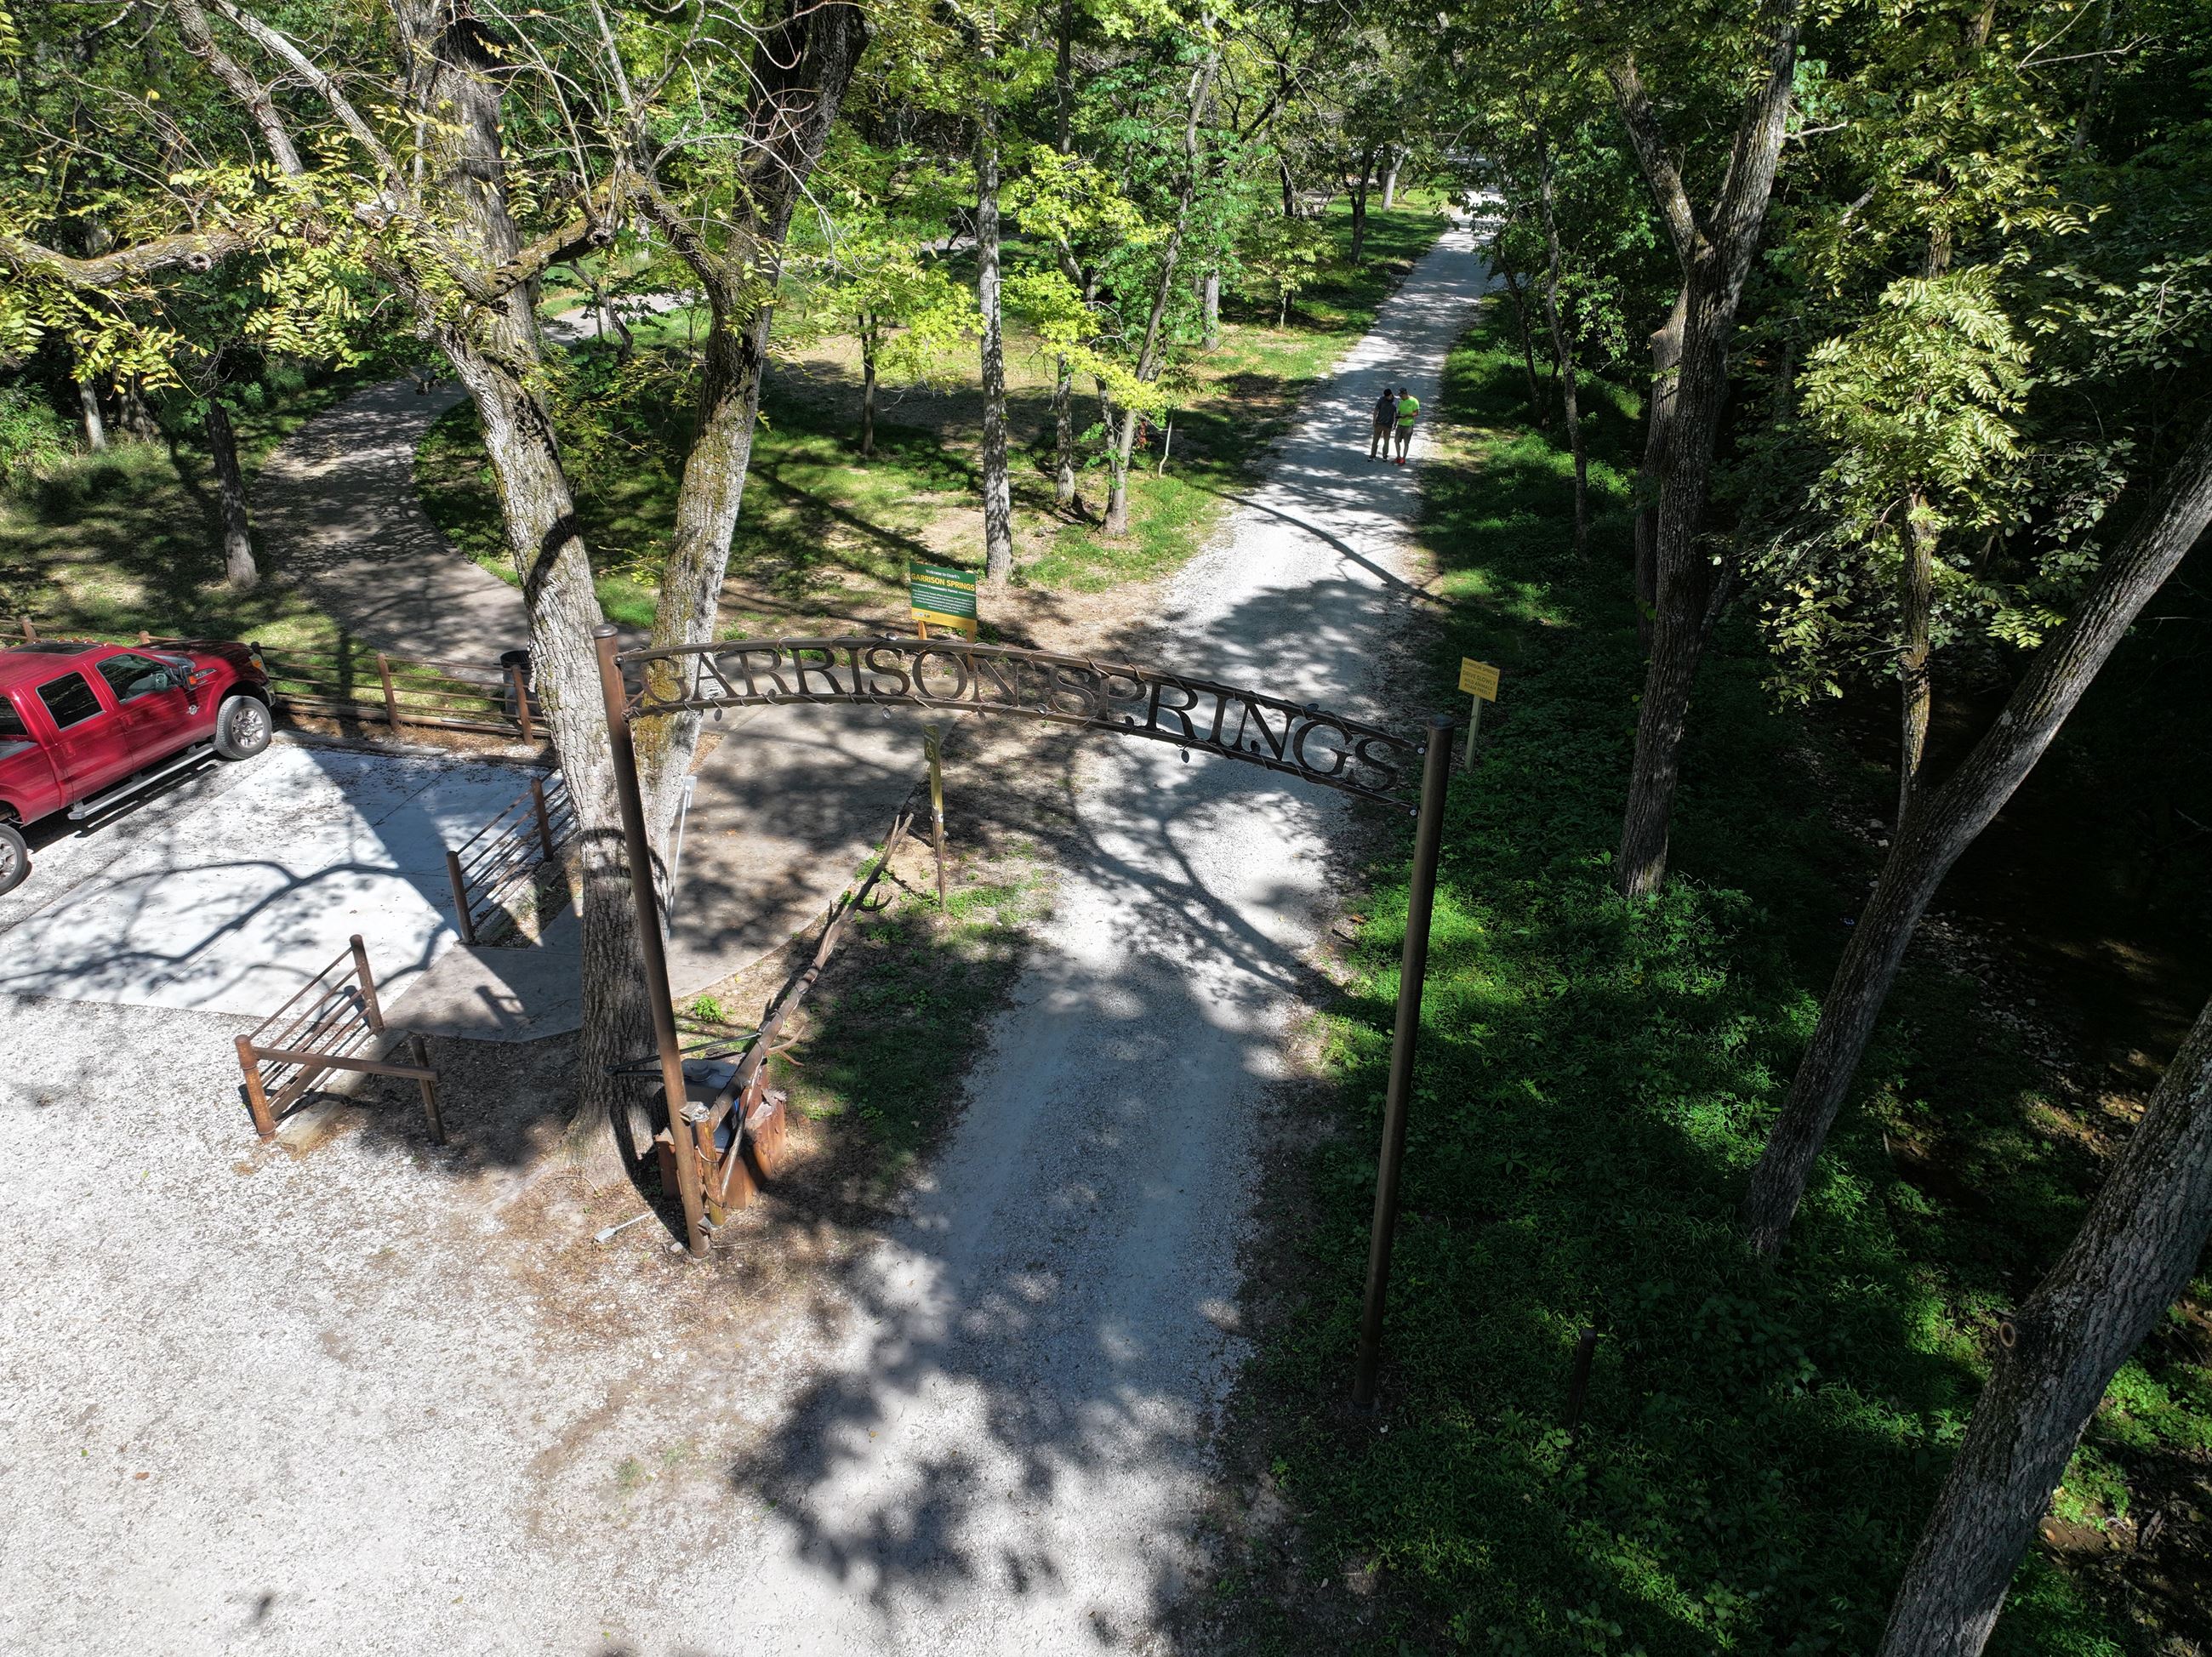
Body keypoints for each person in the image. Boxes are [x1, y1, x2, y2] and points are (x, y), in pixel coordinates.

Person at [1394, 386, 1421, 464]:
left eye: (1401, 395)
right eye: (1399, 395)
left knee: (1406, 443)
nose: (1400, 397)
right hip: (1400, 424)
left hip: (1409, 425)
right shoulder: (1401, 401)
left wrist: (1407, 415)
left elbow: (1416, 413)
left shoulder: (1414, 401)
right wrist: (1395, 423)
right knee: (1396, 441)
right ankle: (1398, 457)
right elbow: (1398, 413)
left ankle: (1403, 458)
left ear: (1405, 394)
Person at [1369, 387, 1397, 459]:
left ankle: (1385, 454)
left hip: (1388, 425)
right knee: (1375, 440)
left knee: (1386, 441)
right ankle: (1372, 454)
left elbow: (1396, 413)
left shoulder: (1395, 401)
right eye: (1386, 397)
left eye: (1388, 396)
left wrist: (1395, 423)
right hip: (1379, 424)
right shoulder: (1381, 399)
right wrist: (1374, 420)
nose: (1387, 398)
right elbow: (1376, 410)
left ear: (1391, 394)